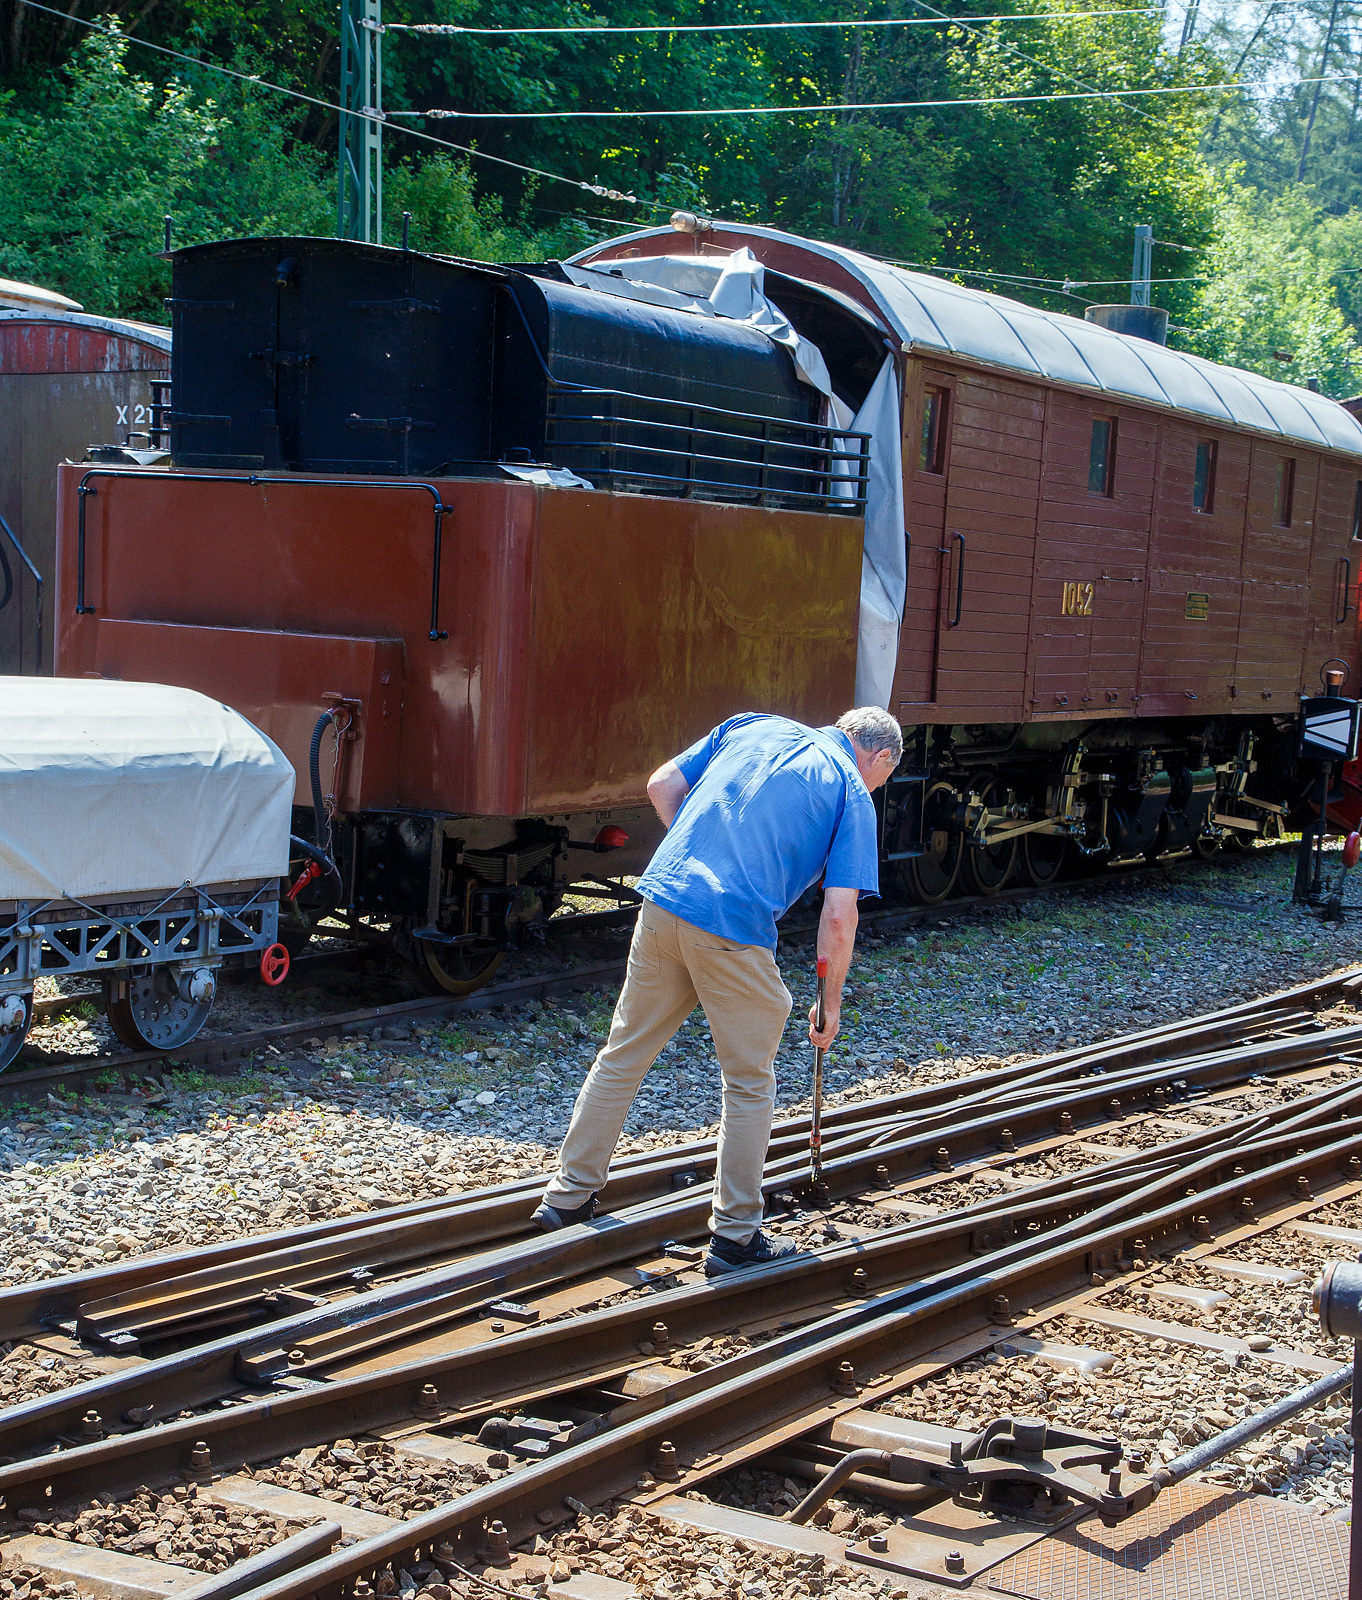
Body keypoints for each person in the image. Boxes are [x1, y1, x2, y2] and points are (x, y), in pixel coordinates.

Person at [533, 706, 903, 1275]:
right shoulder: (850, 790)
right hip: (732, 928)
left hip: (662, 901)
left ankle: (566, 1197)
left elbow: (661, 785)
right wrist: (829, 1005)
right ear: (879, 757)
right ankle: (735, 1236)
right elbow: (839, 914)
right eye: (885, 776)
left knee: (623, 1054)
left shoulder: (751, 725)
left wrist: (697, 857)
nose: (877, 786)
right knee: (750, 1082)